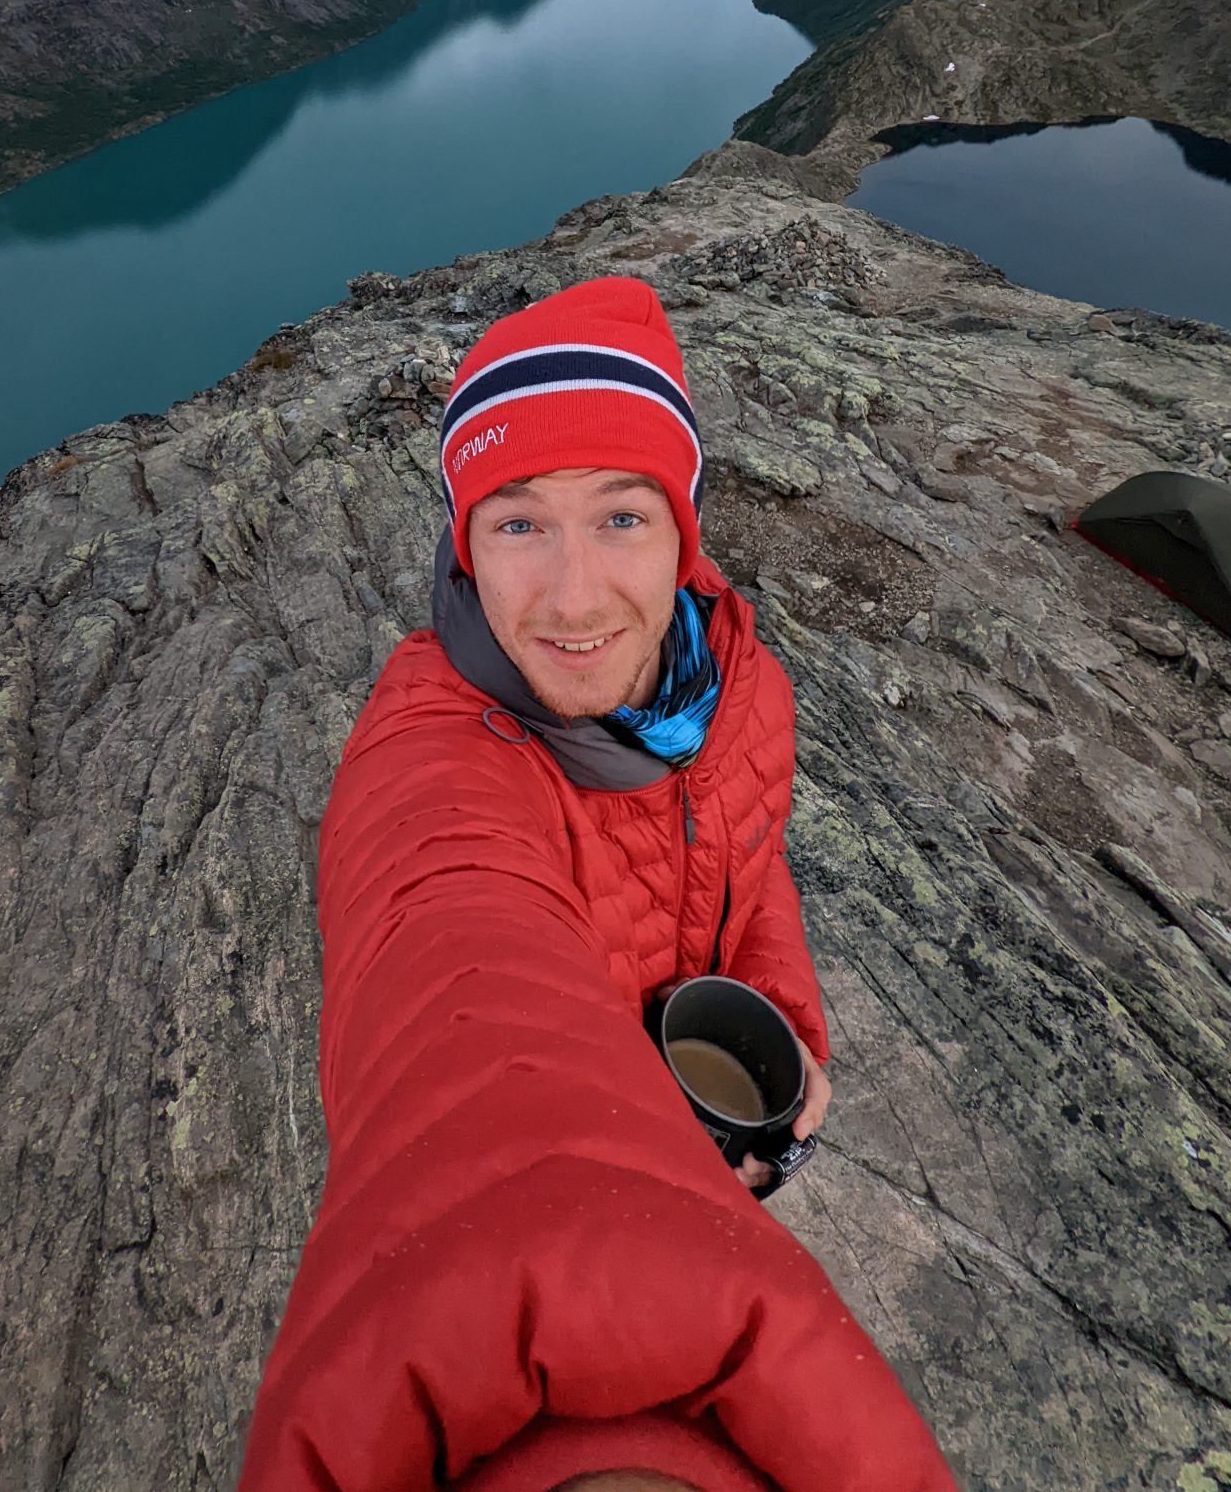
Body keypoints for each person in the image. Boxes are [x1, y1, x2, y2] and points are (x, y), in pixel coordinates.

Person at [240, 277, 957, 1492]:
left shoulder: (732, 683)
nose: (574, 599)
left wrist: (782, 1009)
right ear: (463, 543)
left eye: (622, 516)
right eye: (518, 523)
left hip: (702, 1133)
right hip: (629, 1164)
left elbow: (749, 848)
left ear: (687, 535)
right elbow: (459, 984)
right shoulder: (430, 757)